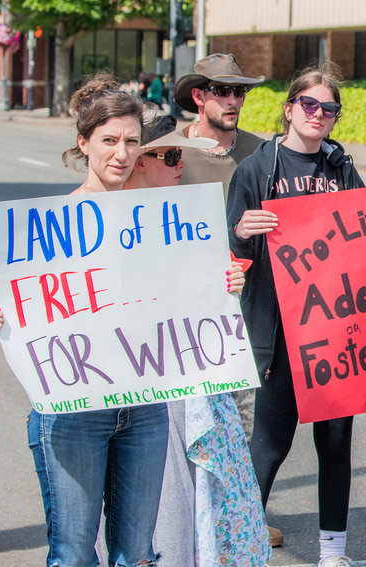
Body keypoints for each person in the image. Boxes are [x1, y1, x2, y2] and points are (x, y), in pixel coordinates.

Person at [225, 61, 366, 567]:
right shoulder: (257, 168)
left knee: (336, 443)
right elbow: (230, 253)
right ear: (290, 109)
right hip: (281, 332)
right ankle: (237, 547)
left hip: (337, 335)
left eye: (329, 109)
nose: (319, 114)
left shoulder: (340, 168)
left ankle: (332, 553)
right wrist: (242, 230)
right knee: (269, 445)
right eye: (310, 105)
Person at [0, 73, 167, 567]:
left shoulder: (164, 223)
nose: (121, 153)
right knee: (74, 554)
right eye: (109, 141)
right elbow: (28, 301)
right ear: (83, 144)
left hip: (146, 408)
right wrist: (2, 317)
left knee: (137, 556)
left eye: (131, 141)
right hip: (73, 410)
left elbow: (180, 298)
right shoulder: (46, 227)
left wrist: (220, 287)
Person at [123, 113, 270, 566]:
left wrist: (225, 279)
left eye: (180, 154)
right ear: (138, 161)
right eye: (169, 156)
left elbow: (207, 284)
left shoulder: (185, 217)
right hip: (138, 387)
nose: (180, 164)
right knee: (150, 506)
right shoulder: (105, 220)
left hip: (193, 386)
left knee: (202, 501)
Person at [173, 53, 265, 198]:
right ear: (198, 96)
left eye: (239, 92)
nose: (233, 101)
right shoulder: (169, 152)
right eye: (222, 91)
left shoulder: (260, 152)